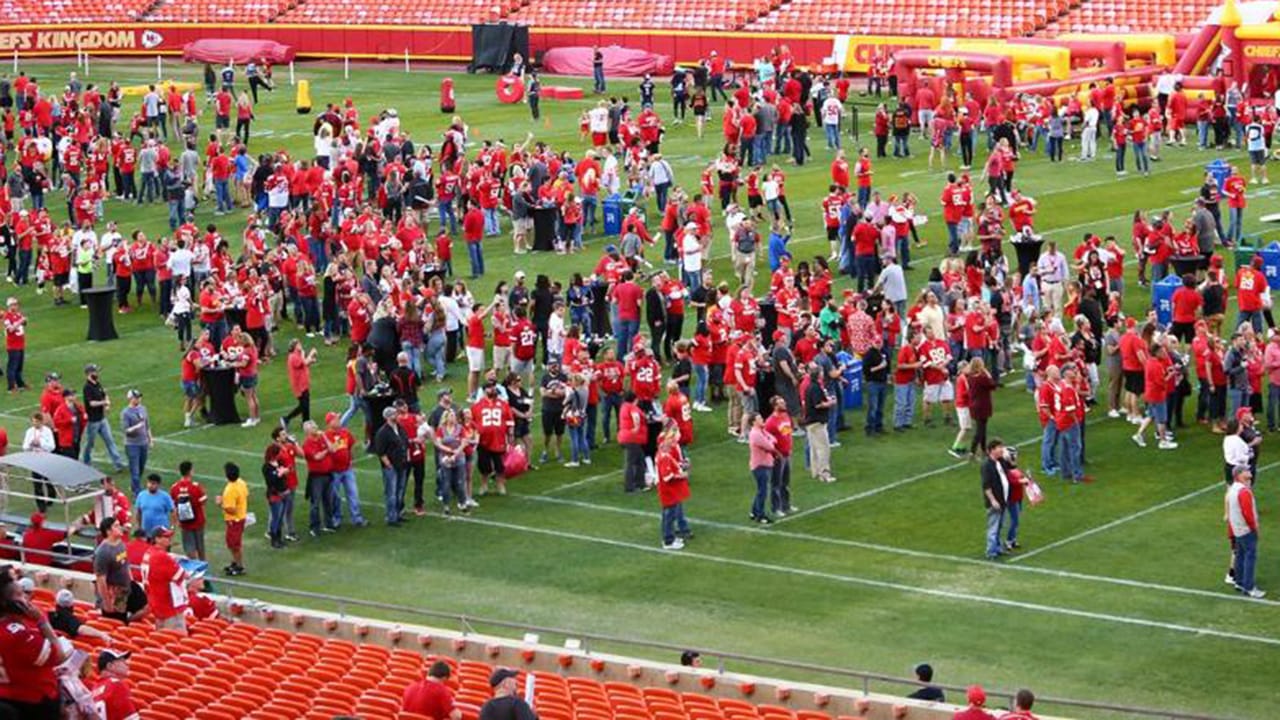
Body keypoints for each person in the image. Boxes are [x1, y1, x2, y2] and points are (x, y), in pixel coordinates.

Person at [0, 568, 66, 719]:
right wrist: (41, 621)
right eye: (20, 595)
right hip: (32, 701)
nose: (26, 599)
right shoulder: (18, 635)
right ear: (8, 602)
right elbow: (59, 655)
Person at [1225, 464, 1264, 598]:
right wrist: (1255, 528)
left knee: (1240, 555)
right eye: (1246, 470)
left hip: (1236, 529)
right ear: (1240, 475)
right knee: (1250, 557)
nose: (1249, 471)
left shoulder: (1233, 489)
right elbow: (1248, 514)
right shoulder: (1244, 492)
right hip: (1246, 529)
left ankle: (1239, 581)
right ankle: (1249, 587)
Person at [140, 527, 188, 632]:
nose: (169, 539)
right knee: (176, 642)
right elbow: (181, 576)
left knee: (162, 639)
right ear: (157, 539)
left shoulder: (148, 553)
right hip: (169, 606)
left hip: (156, 603)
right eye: (166, 537)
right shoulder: (161, 557)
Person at [81, 364, 125, 472]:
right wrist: (104, 403)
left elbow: (104, 394)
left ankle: (118, 464)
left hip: (102, 419)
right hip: (93, 421)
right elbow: (91, 403)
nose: (97, 374)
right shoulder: (87, 388)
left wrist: (107, 402)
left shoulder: (97, 384)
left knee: (110, 441)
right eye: (95, 372)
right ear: (89, 374)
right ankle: (85, 462)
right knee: (89, 444)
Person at [656, 426, 691, 550]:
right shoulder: (664, 457)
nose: (673, 442)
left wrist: (681, 466)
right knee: (668, 516)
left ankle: (670, 537)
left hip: (670, 491)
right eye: (670, 440)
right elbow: (667, 477)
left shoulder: (664, 455)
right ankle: (668, 540)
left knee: (669, 515)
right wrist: (681, 475)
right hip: (668, 492)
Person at [375, 406, 409, 526]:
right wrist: (389, 465)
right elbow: (380, 452)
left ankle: (398, 514)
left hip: (402, 464)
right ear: (388, 417)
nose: (398, 416)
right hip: (392, 467)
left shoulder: (399, 428)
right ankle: (391, 517)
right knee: (391, 493)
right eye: (395, 414)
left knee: (400, 491)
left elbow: (405, 442)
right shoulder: (383, 432)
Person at [93, 517, 132, 620]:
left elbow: (126, 564)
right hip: (113, 595)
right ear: (108, 531)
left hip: (124, 591)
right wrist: (107, 603)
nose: (120, 528)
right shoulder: (103, 552)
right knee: (116, 622)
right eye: (116, 526)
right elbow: (101, 580)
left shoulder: (120, 544)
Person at [802, 364, 836, 483]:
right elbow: (817, 404)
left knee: (814, 448)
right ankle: (824, 474)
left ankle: (815, 471)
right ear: (819, 375)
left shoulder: (809, 387)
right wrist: (830, 403)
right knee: (823, 448)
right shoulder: (816, 387)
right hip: (817, 421)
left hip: (810, 421)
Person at [169, 461, 207, 560]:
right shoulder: (196, 486)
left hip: (184, 522)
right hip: (198, 520)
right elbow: (203, 500)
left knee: (189, 547)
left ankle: (193, 567)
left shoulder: (174, 487)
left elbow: (173, 505)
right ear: (190, 471)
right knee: (200, 547)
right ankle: (203, 566)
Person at [46, 589, 113, 644]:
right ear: (71, 604)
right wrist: (101, 634)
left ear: (56, 602)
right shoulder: (70, 620)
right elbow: (82, 629)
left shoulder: (48, 615)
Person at [217, 462, 248, 576]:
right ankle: (235, 562)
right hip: (241, 517)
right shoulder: (241, 483)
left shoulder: (230, 489)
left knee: (234, 545)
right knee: (234, 543)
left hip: (234, 520)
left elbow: (231, 509)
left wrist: (221, 503)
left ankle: (239, 566)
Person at [91, 649, 140, 720]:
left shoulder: (94, 690)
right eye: (122, 661)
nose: (127, 664)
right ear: (110, 666)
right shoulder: (116, 684)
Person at [980, 438, 1009, 561]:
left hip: (1003, 499)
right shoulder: (987, 465)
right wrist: (993, 500)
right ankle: (991, 551)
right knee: (993, 527)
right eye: (999, 447)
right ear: (992, 450)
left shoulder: (1001, 461)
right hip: (995, 501)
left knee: (1000, 526)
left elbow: (1011, 468)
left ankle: (997, 548)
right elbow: (986, 486)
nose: (1002, 449)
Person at [747, 413, 778, 525]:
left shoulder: (761, 431)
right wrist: (770, 442)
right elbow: (770, 446)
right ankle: (760, 515)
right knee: (763, 491)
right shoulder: (756, 434)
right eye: (759, 418)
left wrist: (770, 441)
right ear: (754, 422)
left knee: (761, 490)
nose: (762, 419)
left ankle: (754, 511)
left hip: (763, 464)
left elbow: (773, 439)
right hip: (760, 466)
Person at [281, 339, 318, 428]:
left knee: (306, 403)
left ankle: (306, 421)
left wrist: (311, 361)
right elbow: (303, 362)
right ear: (294, 347)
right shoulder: (293, 356)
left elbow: (303, 365)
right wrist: (311, 354)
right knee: (303, 405)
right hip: (299, 385)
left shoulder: (297, 355)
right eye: (298, 344)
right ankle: (286, 418)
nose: (300, 345)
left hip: (303, 383)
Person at [133, 474, 174, 538]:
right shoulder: (141, 495)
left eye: (153, 483)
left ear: (158, 485)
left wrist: (172, 528)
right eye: (149, 483)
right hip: (146, 532)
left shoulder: (165, 496)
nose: (150, 485)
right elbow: (138, 512)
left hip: (161, 533)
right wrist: (138, 526)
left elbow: (173, 512)